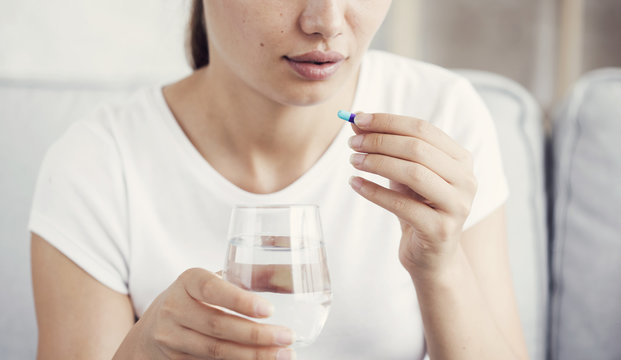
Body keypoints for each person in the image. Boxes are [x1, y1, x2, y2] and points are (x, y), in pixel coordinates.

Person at [29, 0, 529, 359]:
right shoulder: (98, 161)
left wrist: (441, 269)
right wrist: (142, 351)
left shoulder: (441, 117)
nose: (327, 22)